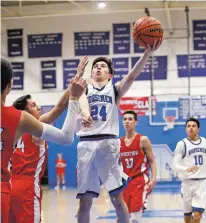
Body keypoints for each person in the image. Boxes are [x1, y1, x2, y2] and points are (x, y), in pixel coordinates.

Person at [75, 39, 162, 223]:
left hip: (108, 144)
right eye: (95, 66)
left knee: (117, 198)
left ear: (110, 75)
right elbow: (81, 100)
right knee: (84, 202)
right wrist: (85, 113)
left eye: (102, 67)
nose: (98, 68)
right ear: (91, 73)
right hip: (86, 145)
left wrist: (146, 54)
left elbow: (131, 76)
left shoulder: (114, 90)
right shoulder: (84, 89)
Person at [1, 57, 86, 223]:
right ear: (10, 85)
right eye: (33, 105)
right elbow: (59, 114)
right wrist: (74, 93)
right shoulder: (24, 122)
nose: (39, 107)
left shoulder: (18, 128)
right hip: (26, 189)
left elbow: (57, 108)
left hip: (10, 186)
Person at [173, 117, 206, 223]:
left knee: (197, 215)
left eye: (193, 126)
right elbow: (175, 164)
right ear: (185, 129)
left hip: (202, 182)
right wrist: (186, 169)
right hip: (187, 183)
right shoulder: (182, 144)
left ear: (198, 129)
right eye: (188, 126)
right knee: (187, 216)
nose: (191, 128)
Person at [120, 110, 156, 223]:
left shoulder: (143, 140)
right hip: (125, 182)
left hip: (139, 180)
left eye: (130, 119)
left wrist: (154, 179)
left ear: (136, 122)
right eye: (125, 119)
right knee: (122, 218)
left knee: (135, 218)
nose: (127, 121)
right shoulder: (118, 143)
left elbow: (152, 161)